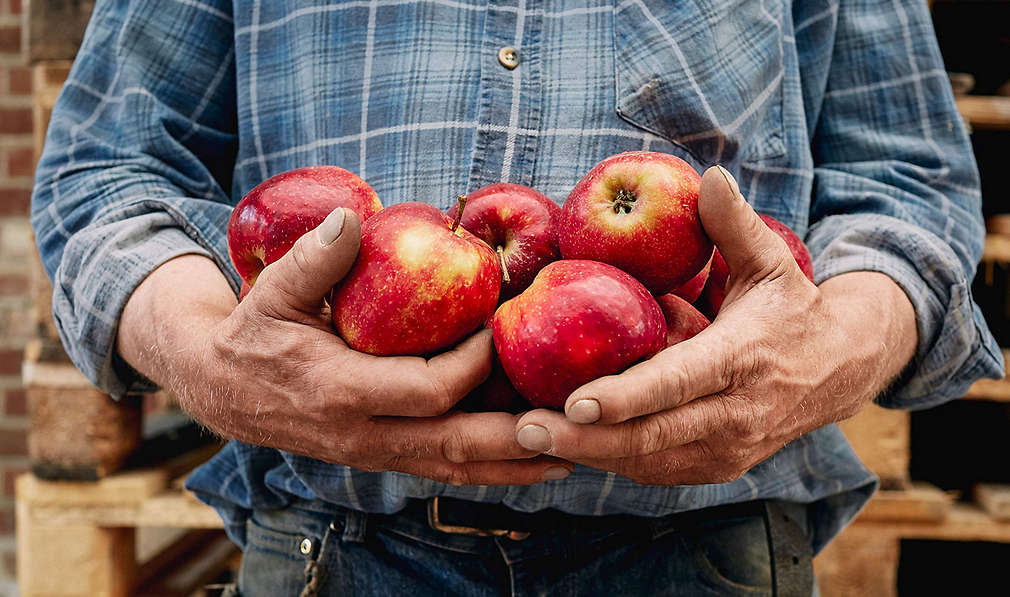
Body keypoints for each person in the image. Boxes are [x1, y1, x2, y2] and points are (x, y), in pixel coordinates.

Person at [30, 0, 1002, 594]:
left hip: (703, 551)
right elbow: (108, 173)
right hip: (333, 547)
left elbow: (904, 182)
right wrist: (202, 351)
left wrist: (831, 347)